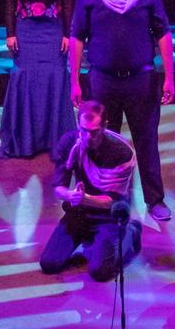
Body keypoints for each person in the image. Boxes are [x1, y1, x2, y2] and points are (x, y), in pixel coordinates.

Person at [69, 0, 175, 222]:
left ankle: (155, 200)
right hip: (103, 80)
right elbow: (77, 36)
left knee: (146, 141)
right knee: (101, 142)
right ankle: (104, 200)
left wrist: (168, 76)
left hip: (140, 79)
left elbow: (163, 33)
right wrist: (75, 80)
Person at [0, 0, 76, 159]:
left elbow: (68, 3)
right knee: (25, 78)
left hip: (53, 33)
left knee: (54, 77)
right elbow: (9, 2)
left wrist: (67, 34)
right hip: (26, 32)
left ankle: (56, 141)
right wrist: (10, 34)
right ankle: (25, 140)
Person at [38, 100, 142, 282]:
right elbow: (59, 188)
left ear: (105, 126)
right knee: (49, 264)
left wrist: (84, 198)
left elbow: (113, 201)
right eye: (84, 130)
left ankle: (131, 233)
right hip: (79, 213)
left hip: (107, 216)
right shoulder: (70, 142)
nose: (88, 137)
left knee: (100, 272)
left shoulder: (121, 152)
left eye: (94, 132)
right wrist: (70, 195)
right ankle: (90, 239)